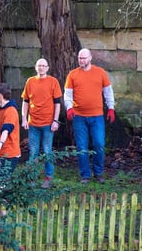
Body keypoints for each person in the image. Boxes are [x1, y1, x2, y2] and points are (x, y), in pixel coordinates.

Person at [64, 48, 115, 184]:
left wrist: (111, 108)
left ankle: (98, 172)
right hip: (79, 117)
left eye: (84, 58)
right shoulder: (72, 75)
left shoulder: (100, 73)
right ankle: (85, 175)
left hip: (97, 116)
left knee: (99, 144)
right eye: (80, 58)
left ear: (90, 58)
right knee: (81, 147)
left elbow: (108, 92)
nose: (82, 60)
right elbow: (68, 94)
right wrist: (69, 108)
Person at [21, 59, 62, 189]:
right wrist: (24, 118)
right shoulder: (30, 81)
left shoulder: (53, 82)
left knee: (47, 151)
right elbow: (25, 101)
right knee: (33, 152)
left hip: (48, 124)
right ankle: (31, 177)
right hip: (33, 123)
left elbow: (57, 103)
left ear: (48, 68)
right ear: (35, 67)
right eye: (39, 65)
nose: (41, 68)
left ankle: (48, 177)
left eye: (44, 66)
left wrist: (55, 120)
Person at [0, 83, 21, 175]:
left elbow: (6, 130)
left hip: (9, 153)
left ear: (0, 95)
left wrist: (1, 143)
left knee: (2, 180)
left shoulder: (11, 111)